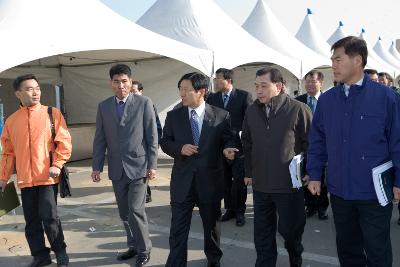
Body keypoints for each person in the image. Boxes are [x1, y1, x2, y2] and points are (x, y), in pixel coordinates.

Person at [307, 36, 400, 267]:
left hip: (375, 193)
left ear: (358, 60)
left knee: (377, 251)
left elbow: (398, 142)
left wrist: (399, 180)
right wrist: (315, 173)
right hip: (340, 192)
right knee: (348, 250)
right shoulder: (327, 101)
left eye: (338, 59)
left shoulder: (387, 98)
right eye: (332, 60)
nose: (333, 65)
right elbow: (317, 140)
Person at [161, 72, 237, 267]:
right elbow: (165, 142)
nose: (182, 94)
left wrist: (228, 149)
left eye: (186, 90)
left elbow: (228, 139)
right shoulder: (174, 116)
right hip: (182, 182)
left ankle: (213, 261)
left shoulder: (221, 115)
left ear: (201, 91)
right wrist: (180, 148)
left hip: (209, 182)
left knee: (211, 227)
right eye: (180, 89)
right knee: (178, 228)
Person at [242, 68, 311, 267]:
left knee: (290, 232)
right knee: (262, 234)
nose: (259, 91)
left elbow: (312, 145)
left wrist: (309, 172)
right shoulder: (252, 110)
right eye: (256, 86)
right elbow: (246, 143)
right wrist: (248, 172)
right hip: (261, 185)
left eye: (264, 86)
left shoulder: (298, 109)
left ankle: (295, 256)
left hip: (289, 185)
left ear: (279, 86)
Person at [0, 74, 72, 267]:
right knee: (31, 221)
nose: (36, 92)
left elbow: (64, 142)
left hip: (47, 177)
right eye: (30, 89)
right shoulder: (11, 121)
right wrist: (3, 178)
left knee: (50, 218)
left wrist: (57, 164)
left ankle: (60, 252)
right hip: (25, 179)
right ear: (18, 93)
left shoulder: (52, 113)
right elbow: (7, 153)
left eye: (38, 88)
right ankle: (40, 256)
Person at [91, 64, 158, 267]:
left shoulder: (144, 102)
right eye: (116, 82)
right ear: (111, 84)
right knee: (123, 212)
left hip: (138, 165)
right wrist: (96, 166)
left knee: (135, 209)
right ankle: (133, 245)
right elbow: (100, 138)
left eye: (124, 81)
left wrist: (153, 164)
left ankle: (144, 249)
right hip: (116, 168)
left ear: (130, 82)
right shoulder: (104, 106)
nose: (121, 85)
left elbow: (151, 136)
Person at [207, 68, 253, 226]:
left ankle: (240, 211)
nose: (215, 81)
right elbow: (209, 120)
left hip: (239, 146)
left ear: (228, 80)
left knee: (239, 181)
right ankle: (229, 209)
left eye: (218, 78)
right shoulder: (212, 98)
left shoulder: (244, 96)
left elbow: (249, 121)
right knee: (224, 180)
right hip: (220, 146)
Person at [296, 70, 329, 220]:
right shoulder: (298, 100)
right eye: (307, 82)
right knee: (305, 176)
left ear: (321, 83)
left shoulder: (328, 100)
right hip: (304, 146)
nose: (309, 85)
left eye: (313, 81)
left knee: (322, 177)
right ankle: (310, 205)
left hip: (324, 146)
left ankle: (322, 207)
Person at [131, 80, 162, 203]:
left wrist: (155, 144)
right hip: (132, 149)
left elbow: (156, 127)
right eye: (130, 91)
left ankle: (146, 194)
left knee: (144, 171)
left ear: (141, 91)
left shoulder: (147, 105)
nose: (132, 94)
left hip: (145, 146)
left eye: (134, 91)